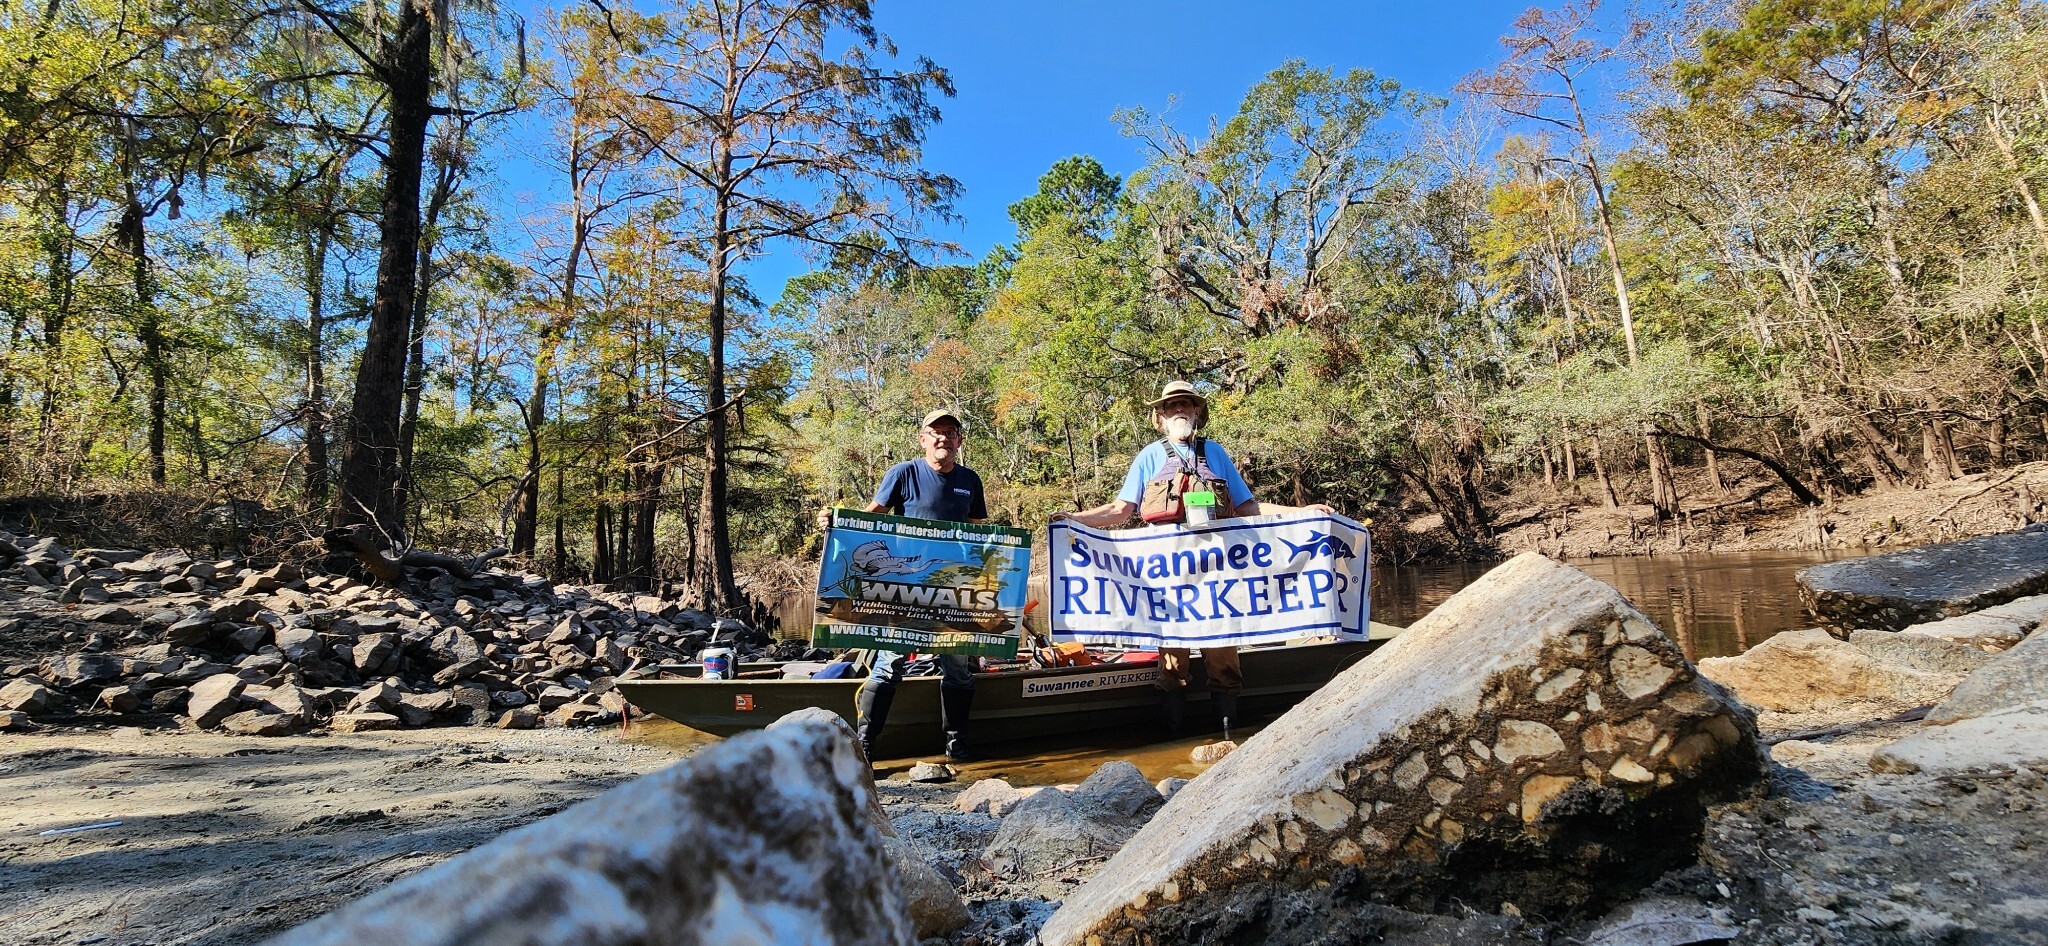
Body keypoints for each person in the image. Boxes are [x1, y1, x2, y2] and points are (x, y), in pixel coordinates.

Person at [1055, 380, 1332, 736]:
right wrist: (1075, 520)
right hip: (1168, 586)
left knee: (1224, 663)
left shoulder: (1215, 453)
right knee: (1171, 667)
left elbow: (1247, 506)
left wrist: (1300, 512)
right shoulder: (1149, 457)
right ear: (1160, 418)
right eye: (1170, 407)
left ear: (1198, 412)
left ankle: (1227, 740)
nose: (1179, 410)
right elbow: (1120, 510)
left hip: (1218, 578)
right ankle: (1174, 738)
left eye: (1186, 404)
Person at [816, 409, 989, 763]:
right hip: (903, 587)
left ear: (959, 440)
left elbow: (980, 534)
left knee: (957, 664)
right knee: (889, 662)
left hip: (951, 589)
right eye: (935, 432)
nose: (943, 438)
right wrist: (835, 521)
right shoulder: (904, 473)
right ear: (923, 438)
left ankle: (957, 743)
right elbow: (871, 516)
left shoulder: (970, 480)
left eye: (951, 432)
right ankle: (865, 745)